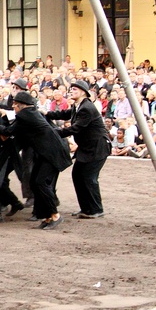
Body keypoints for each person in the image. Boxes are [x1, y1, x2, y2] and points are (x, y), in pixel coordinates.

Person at [0, 91, 71, 230]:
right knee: (35, 182)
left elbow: (8, 131)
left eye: (14, 105)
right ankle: (47, 217)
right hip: (48, 153)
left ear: (19, 105)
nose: (13, 108)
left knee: (40, 183)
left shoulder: (25, 114)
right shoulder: (30, 113)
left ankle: (55, 215)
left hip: (52, 154)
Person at [45, 80, 111, 219]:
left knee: (89, 178)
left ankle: (95, 209)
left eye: (75, 89)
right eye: (71, 89)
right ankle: (86, 208)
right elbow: (65, 113)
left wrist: (55, 132)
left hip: (97, 148)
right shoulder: (78, 106)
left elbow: (76, 128)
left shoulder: (87, 108)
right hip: (88, 148)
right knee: (78, 175)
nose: (71, 91)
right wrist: (47, 114)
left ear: (83, 92)